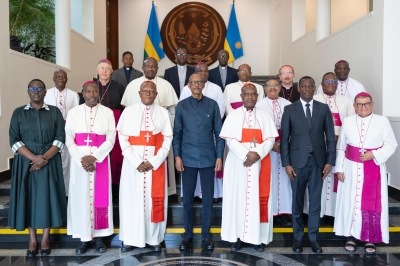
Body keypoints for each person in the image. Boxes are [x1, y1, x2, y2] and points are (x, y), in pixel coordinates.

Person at [8, 79, 67, 258]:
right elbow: (14, 139)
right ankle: (32, 238)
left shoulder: (54, 112)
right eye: (33, 88)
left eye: (40, 88)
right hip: (26, 162)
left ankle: (45, 238)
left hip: (49, 160)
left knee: (47, 198)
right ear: (28, 92)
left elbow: (60, 138)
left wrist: (44, 158)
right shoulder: (19, 113)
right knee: (29, 198)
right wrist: (34, 158)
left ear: (45, 92)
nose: (36, 91)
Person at [334, 92, 397, 254]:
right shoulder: (348, 121)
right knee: (351, 201)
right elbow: (341, 146)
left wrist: (374, 154)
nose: (363, 107)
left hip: (372, 167)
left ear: (372, 104)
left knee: (369, 202)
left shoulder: (382, 121)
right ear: (354, 106)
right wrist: (339, 168)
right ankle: (351, 236)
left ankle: (370, 238)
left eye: (366, 104)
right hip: (350, 168)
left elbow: (391, 144)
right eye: (360, 104)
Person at [280, 76, 336, 254]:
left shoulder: (323, 109)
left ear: (314, 88)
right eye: (303, 86)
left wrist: (330, 161)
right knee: (297, 203)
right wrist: (286, 163)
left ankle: (313, 239)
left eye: (310, 86)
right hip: (296, 164)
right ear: (299, 88)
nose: (306, 89)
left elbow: (330, 138)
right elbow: (284, 140)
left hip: (318, 163)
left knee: (315, 204)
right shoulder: (290, 109)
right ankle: (297, 239)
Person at [220, 83, 278, 252]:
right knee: (238, 199)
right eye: (247, 94)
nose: (250, 97)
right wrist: (247, 154)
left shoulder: (265, 116)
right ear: (242, 95)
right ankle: (238, 236)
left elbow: (270, 140)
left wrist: (256, 154)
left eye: (253, 94)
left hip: (260, 162)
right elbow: (230, 140)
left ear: (257, 96)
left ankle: (257, 238)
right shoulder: (233, 116)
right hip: (238, 164)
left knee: (257, 199)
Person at [117, 81, 172, 252]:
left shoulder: (163, 113)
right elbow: (123, 138)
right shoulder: (128, 111)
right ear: (139, 93)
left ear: (156, 95)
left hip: (155, 164)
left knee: (153, 201)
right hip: (133, 165)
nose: (148, 93)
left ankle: (154, 238)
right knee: (131, 200)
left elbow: (167, 139)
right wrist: (136, 162)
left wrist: (154, 161)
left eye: (151, 91)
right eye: (145, 91)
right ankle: (130, 238)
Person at [172, 73, 224, 250]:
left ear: (203, 84)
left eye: (199, 82)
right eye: (193, 82)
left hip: (209, 157)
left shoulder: (213, 104)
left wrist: (219, 156)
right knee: (187, 199)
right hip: (187, 157)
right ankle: (187, 236)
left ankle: (206, 237)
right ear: (188, 85)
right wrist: (177, 156)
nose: (196, 85)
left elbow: (219, 134)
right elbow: (177, 134)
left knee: (208, 199)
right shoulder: (181, 106)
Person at [66, 81, 116, 255]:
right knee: (80, 198)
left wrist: (94, 157)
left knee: (100, 198)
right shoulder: (74, 113)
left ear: (98, 93)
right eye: (88, 91)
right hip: (80, 164)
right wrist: (83, 160)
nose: (92, 94)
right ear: (83, 93)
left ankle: (100, 237)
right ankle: (83, 238)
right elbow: (69, 139)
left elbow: (111, 138)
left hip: (100, 161)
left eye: (95, 91)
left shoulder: (107, 112)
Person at [121, 57, 178, 196]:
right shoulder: (133, 85)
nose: (150, 69)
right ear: (143, 67)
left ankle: (167, 192)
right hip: (136, 142)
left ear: (157, 69)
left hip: (159, 138)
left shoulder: (166, 85)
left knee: (162, 165)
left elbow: (172, 112)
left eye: (153, 66)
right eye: (148, 66)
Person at [309, 72, 354, 221]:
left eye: (333, 81)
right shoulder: (314, 99)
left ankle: (334, 212)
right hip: (318, 146)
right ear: (321, 84)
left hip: (340, 145)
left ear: (337, 84)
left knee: (336, 176)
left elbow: (351, 123)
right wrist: (326, 137)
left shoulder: (346, 101)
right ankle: (318, 212)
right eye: (327, 80)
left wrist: (340, 137)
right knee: (318, 176)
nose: (330, 83)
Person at [179, 62, 225, 202]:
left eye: (205, 71)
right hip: (189, 146)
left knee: (208, 190)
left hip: (208, 138)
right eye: (200, 71)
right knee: (188, 191)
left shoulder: (215, 91)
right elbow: (182, 119)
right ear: (189, 84)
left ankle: (212, 198)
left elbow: (221, 110)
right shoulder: (185, 96)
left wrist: (207, 122)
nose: (203, 73)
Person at [256, 77, 292, 227]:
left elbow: (294, 127)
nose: (272, 88)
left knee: (285, 182)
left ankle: (284, 213)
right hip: (266, 150)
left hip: (286, 148)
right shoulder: (258, 105)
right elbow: (256, 131)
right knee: (269, 180)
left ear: (280, 87)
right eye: (269, 85)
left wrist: (285, 145)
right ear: (264, 89)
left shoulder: (288, 104)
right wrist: (271, 146)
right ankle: (269, 212)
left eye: (275, 85)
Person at [44, 69, 79, 194]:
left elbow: (76, 115)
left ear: (66, 79)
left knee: (68, 159)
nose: (61, 78)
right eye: (58, 76)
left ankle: (67, 191)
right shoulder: (46, 94)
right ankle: (53, 190)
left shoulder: (73, 95)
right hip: (51, 131)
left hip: (68, 129)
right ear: (53, 79)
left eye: (63, 77)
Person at [95, 58, 125, 202]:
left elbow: (123, 108)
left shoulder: (119, 86)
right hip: (96, 124)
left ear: (112, 71)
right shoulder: (91, 86)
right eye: (102, 68)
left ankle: (115, 188)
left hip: (115, 122)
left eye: (107, 68)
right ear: (97, 70)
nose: (105, 71)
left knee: (115, 155)